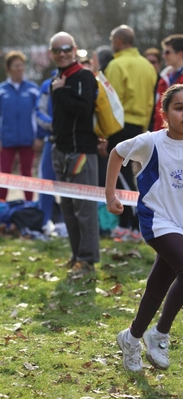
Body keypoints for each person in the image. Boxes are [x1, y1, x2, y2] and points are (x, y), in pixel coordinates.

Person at [105, 84, 183, 372]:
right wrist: (110, 195)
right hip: (156, 218)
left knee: (157, 287)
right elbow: (116, 152)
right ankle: (159, 334)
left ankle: (131, 337)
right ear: (165, 113)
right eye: (179, 108)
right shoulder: (151, 142)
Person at [49, 31, 99, 275]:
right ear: (51, 54)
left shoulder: (83, 76)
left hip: (81, 153)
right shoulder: (58, 78)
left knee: (84, 209)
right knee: (67, 208)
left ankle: (88, 260)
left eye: (66, 48)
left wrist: (61, 92)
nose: (62, 53)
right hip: (60, 150)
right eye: (57, 50)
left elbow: (83, 109)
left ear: (75, 49)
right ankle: (77, 254)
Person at [105, 24, 157, 242]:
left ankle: (131, 224)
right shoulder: (147, 65)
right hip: (142, 126)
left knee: (122, 177)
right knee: (138, 175)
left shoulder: (116, 65)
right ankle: (133, 223)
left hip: (120, 125)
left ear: (117, 41)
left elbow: (110, 103)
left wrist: (105, 133)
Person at [0, 51, 42, 201]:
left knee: (27, 174)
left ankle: (29, 206)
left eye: (21, 65)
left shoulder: (32, 88)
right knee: (4, 175)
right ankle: (1, 208)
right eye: (16, 65)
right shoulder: (2, 90)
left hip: (28, 139)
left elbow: (38, 115)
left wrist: (38, 137)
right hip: (6, 140)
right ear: (9, 68)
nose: (19, 68)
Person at [36, 71, 62, 233]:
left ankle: (68, 224)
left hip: (76, 144)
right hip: (51, 141)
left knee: (76, 186)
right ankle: (44, 221)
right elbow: (39, 111)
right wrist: (54, 124)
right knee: (46, 183)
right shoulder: (47, 84)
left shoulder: (83, 80)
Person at [153, 34, 183, 131]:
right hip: (162, 134)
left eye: (167, 52)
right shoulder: (164, 78)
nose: (164, 56)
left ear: (180, 54)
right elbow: (158, 111)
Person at [143, 47, 162, 131]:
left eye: (153, 62)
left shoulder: (163, 82)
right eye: (147, 62)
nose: (150, 65)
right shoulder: (140, 81)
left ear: (159, 64)